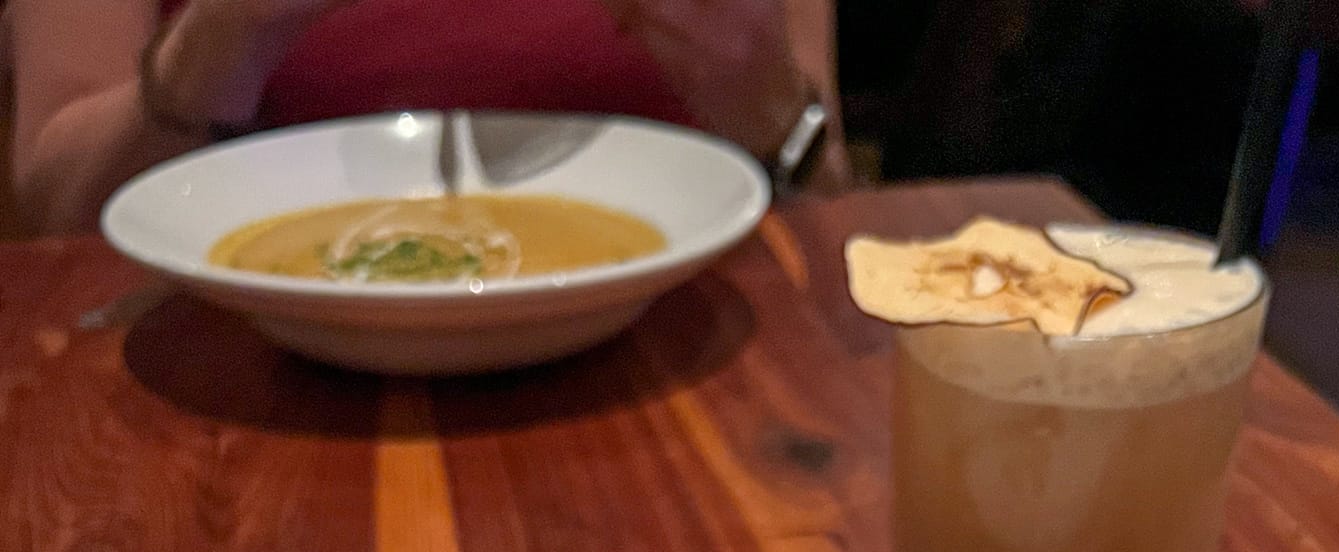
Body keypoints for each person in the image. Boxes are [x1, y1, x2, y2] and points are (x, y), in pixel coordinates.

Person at [9, 0, 844, 234]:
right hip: (238, 399)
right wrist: (214, 43)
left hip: (674, 378)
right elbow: (53, 218)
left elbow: (830, 194)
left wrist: (768, 109)